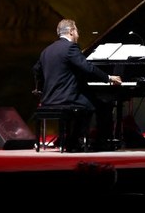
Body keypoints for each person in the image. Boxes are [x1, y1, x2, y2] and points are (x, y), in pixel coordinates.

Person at [32, 19, 122, 152]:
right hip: (66, 98)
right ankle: (93, 142)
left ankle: (72, 140)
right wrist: (108, 77)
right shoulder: (70, 48)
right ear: (71, 32)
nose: (78, 35)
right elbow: (88, 68)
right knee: (101, 104)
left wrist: (40, 88)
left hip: (49, 99)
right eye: (77, 31)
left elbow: (36, 70)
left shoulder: (47, 50)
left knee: (88, 102)